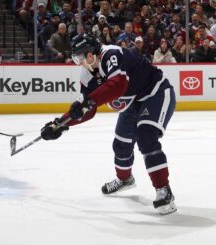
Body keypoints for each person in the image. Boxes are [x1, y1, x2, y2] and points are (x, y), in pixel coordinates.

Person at [40, 34, 177, 215]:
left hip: (156, 94)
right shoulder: (87, 74)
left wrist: (89, 101)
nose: (79, 62)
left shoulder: (111, 54)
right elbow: (86, 109)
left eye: (80, 57)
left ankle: (164, 190)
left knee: (146, 136)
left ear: (90, 55)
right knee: (120, 144)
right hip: (131, 103)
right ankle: (125, 179)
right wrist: (60, 124)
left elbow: (118, 85)